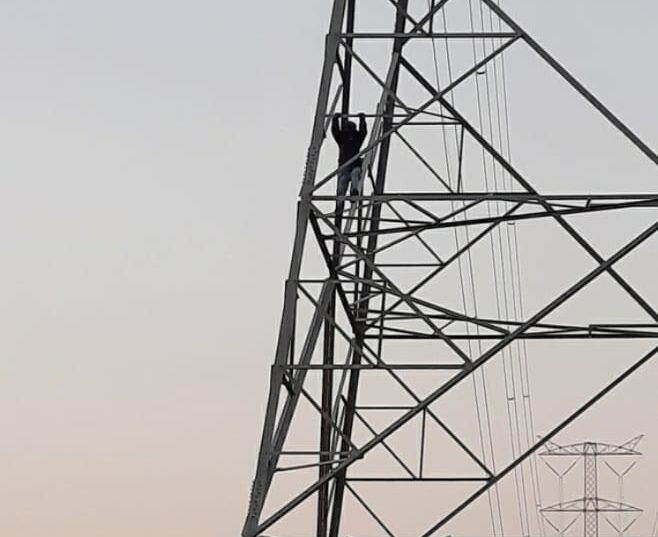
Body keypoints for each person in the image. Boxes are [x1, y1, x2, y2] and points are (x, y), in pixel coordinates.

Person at [331, 113, 367, 203]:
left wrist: (335, 119)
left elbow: (335, 131)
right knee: (348, 178)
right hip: (349, 164)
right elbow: (363, 132)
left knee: (347, 178)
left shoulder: (344, 137)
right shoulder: (350, 137)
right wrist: (362, 120)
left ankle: (343, 199)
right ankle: (349, 195)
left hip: (348, 164)